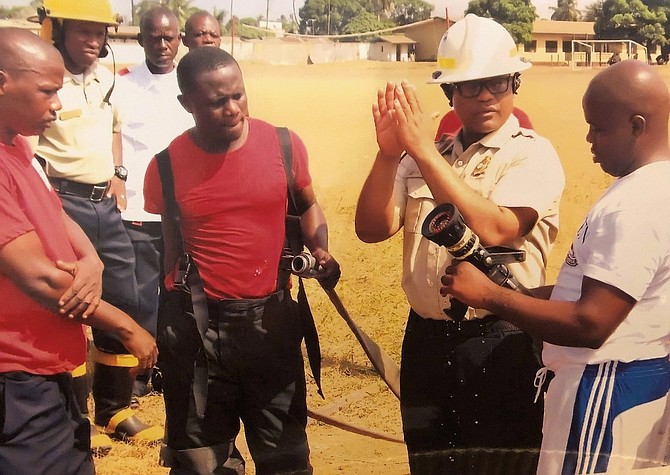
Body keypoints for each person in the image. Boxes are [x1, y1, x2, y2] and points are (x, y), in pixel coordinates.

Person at [355, 14, 565, 474]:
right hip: (427, 340)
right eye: (470, 85)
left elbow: (499, 228)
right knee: (430, 463)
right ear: (450, 93)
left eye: (497, 82)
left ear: (515, 83)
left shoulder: (530, 153)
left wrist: (423, 152)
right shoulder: (428, 156)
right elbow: (372, 228)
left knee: (502, 464)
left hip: (503, 341)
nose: (486, 95)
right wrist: (390, 153)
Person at [441, 59, 670, 474]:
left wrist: (489, 295)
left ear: (637, 126)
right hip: (623, 381)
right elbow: (601, 294)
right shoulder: (654, 187)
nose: (588, 138)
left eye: (598, 128)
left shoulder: (634, 205)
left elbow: (590, 323)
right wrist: (525, 296)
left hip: (605, 386)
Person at [143, 46, 340, 474]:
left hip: (271, 325)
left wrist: (319, 246)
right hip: (199, 334)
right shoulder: (166, 168)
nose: (233, 109)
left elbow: (307, 205)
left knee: (284, 458)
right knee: (202, 463)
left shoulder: (284, 145)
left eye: (238, 95)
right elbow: (171, 252)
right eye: (217, 102)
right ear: (186, 104)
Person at [0, 27, 157, 475]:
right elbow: (42, 280)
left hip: (48, 370)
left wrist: (91, 258)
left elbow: (55, 211)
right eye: (47, 91)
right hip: (16, 376)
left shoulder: (18, 147)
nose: (58, 103)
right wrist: (127, 328)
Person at [31, 0, 162, 445]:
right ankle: (75, 416)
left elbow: (113, 130)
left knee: (124, 302)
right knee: (72, 309)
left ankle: (114, 411)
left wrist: (119, 175)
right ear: (60, 29)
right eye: (83, 31)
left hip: (106, 207)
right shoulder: (44, 82)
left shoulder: (107, 81)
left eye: (100, 32)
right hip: (62, 205)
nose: (94, 40)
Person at [115, 6, 194, 402]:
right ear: (141, 38)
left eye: (169, 37)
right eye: (153, 37)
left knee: (183, 295)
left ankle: (177, 366)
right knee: (142, 298)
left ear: (180, 38)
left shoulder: (193, 81)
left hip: (187, 214)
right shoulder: (123, 85)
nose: (162, 45)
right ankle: (137, 379)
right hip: (139, 213)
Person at [435, 106, 534, 141]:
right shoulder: (449, 120)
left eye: (497, 84)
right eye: (471, 87)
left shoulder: (519, 119)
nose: (484, 96)